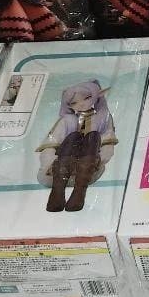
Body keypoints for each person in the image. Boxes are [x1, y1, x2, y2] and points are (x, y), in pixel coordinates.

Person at [36, 81, 116, 213]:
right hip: (63, 162)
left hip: (89, 164)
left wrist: (101, 159)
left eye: (87, 98)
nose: (81, 104)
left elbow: (108, 142)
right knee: (73, 136)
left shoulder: (102, 118)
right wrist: (49, 162)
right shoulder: (67, 120)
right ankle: (57, 192)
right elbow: (52, 142)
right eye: (74, 103)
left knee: (93, 136)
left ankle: (79, 191)